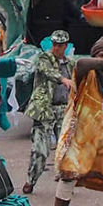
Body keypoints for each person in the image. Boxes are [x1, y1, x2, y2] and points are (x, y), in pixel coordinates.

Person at [50, 35, 103, 206]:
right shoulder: (86, 72)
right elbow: (82, 63)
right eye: (102, 55)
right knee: (69, 174)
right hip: (82, 136)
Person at [23, 30, 73, 195]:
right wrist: (63, 79)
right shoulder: (44, 58)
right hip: (45, 109)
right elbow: (47, 71)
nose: (57, 48)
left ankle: (67, 183)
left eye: (60, 45)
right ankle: (31, 180)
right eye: (55, 45)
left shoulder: (70, 64)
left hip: (63, 109)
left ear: (65, 46)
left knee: (67, 149)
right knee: (40, 149)